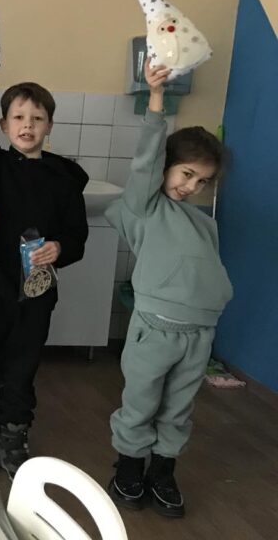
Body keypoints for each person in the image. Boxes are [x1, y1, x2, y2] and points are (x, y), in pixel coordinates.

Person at [105, 61, 232, 518]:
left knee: (178, 408)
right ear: (166, 167)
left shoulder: (203, 223)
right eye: (186, 173)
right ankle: (128, 469)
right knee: (141, 402)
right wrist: (156, 99)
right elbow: (146, 158)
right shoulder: (145, 206)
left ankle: (162, 471)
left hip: (198, 333)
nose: (191, 186)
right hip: (155, 329)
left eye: (202, 181)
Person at [0, 73, 88, 478]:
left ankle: (14, 431)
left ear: (49, 125)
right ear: (3, 125)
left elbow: (77, 237)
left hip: (37, 290)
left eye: (37, 118)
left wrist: (59, 248)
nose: (27, 125)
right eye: (18, 117)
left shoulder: (65, 178)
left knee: (23, 362)